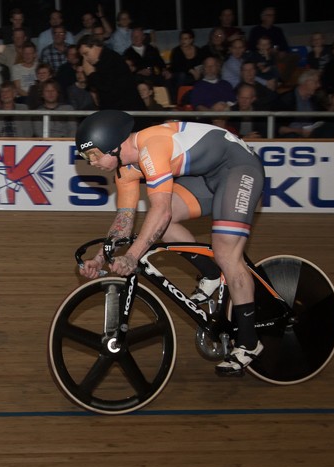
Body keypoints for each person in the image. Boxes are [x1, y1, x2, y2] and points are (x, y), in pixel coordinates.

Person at [74, 110, 265, 377]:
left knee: (225, 253)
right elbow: (124, 222)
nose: (91, 162)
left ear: (114, 144)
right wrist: (101, 258)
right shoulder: (125, 169)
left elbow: (160, 211)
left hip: (239, 169)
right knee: (163, 227)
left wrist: (133, 256)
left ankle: (248, 343)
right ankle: (211, 275)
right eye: (86, 157)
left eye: (93, 154)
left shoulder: (151, 146)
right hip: (208, 177)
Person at [77, 34, 145, 115]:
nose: (85, 59)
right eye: (82, 56)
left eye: (86, 53)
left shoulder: (109, 59)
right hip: (121, 112)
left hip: (127, 112)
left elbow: (106, 88)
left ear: (95, 46)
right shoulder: (104, 59)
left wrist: (91, 73)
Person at [276, 69, 334, 138]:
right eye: (316, 82)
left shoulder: (314, 100)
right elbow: (279, 128)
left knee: (332, 124)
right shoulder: (286, 99)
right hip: (293, 135)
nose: (318, 85)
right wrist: (301, 131)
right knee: (292, 136)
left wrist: (333, 105)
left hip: (312, 133)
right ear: (307, 82)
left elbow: (324, 118)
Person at [168, 29, 204, 102]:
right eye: (181, 39)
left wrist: (197, 72)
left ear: (191, 40)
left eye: (186, 39)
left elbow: (201, 63)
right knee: (182, 75)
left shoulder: (198, 50)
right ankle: (179, 100)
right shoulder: (176, 51)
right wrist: (191, 71)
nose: (183, 41)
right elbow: (177, 66)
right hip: (179, 75)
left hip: (195, 75)